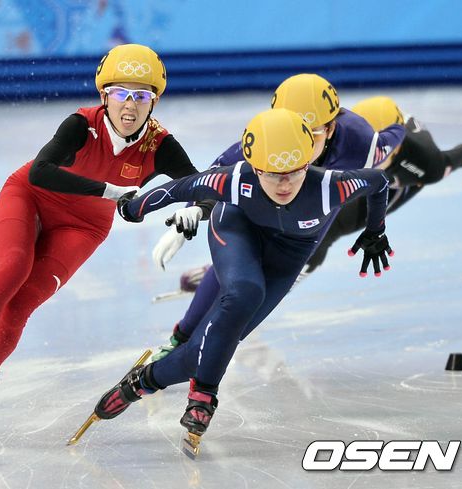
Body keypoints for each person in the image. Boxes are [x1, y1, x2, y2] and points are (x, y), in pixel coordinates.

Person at [0, 43, 202, 440]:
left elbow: (203, 185)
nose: (130, 105)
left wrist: (197, 209)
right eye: (121, 93)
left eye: (142, 96)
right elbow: (40, 171)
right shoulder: (81, 125)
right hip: (30, 197)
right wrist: (110, 191)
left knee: (23, 302)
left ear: (154, 101)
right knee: (13, 267)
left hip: (84, 226)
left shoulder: (160, 144)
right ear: (104, 95)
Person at [91, 108, 393, 452]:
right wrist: (133, 208)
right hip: (238, 230)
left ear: (307, 163)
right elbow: (179, 188)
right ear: (256, 168)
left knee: (211, 346)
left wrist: (376, 231)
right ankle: (205, 395)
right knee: (246, 291)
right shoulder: (236, 179)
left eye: (294, 172)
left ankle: (142, 382)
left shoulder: (329, 187)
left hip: (288, 255)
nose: (284, 184)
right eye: (273, 175)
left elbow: (379, 182)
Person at [150, 74, 405, 361]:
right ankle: (181, 338)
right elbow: (215, 175)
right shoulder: (272, 135)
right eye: (291, 127)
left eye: (311, 132)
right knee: (233, 268)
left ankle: (204, 345)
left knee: (255, 297)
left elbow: (393, 137)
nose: (300, 140)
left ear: (331, 128)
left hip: (306, 223)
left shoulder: (363, 145)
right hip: (257, 204)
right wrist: (194, 210)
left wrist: (405, 125)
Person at [303, 95, 462, 273]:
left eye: (374, 150)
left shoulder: (427, 163)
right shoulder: (340, 141)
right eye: (362, 145)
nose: (366, 154)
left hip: (395, 178)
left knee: (328, 227)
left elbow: (456, 157)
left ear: (396, 146)